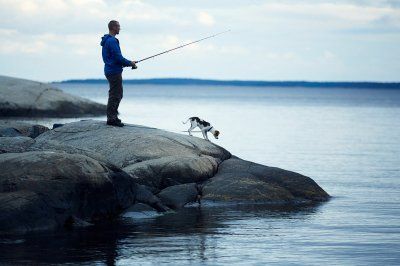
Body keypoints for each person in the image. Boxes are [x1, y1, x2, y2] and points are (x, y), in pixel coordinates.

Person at [100, 20, 137, 127]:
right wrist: (130, 63)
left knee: (116, 94)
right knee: (116, 95)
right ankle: (111, 119)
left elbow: (115, 59)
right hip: (114, 71)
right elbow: (117, 58)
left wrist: (129, 64)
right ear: (113, 27)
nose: (120, 28)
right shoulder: (111, 41)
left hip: (111, 70)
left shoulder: (108, 40)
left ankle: (113, 117)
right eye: (118, 27)